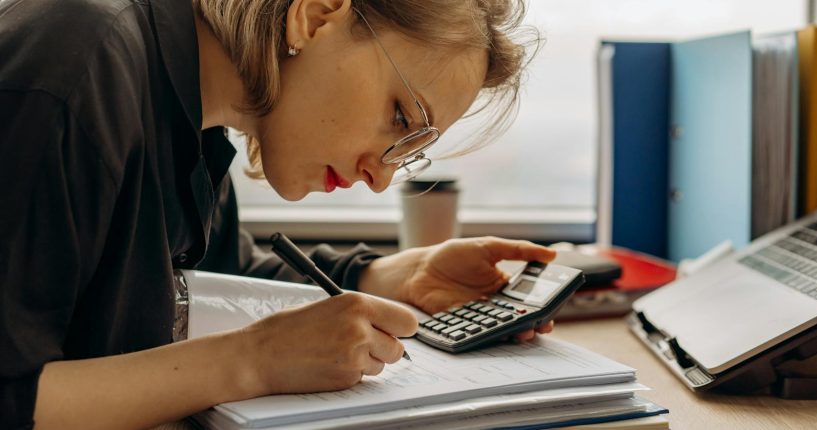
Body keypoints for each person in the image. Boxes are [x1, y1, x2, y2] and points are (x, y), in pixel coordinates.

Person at [0, 0, 558, 428]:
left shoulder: (195, 113)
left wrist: (384, 277)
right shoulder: (76, 67)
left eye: (412, 148)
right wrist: (252, 362)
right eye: (399, 115)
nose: (382, 175)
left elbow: (214, 275)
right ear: (317, 16)